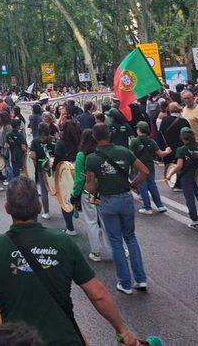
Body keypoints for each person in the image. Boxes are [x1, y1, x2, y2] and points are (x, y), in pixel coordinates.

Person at [0, 177, 142, 346]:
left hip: (20, 342)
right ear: (39, 207)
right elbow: (97, 293)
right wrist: (123, 331)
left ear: (7, 209)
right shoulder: (63, 242)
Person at [85, 123, 148, 294]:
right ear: (110, 135)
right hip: (126, 197)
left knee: (116, 242)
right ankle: (141, 279)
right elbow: (144, 171)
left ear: (94, 137)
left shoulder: (91, 158)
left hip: (107, 200)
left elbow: (90, 188)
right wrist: (133, 184)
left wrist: (98, 183)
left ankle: (125, 283)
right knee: (131, 238)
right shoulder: (123, 151)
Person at [72, 130, 106, 262]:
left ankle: (96, 252)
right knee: (106, 220)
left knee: (91, 221)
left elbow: (79, 179)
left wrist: (74, 195)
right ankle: (117, 248)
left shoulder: (82, 155)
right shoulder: (100, 152)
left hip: (88, 191)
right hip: (101, 190)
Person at [129, 122, 170, 214]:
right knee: (152, 186)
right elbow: (161, 154)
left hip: (139, 167)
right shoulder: (151, 141)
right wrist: (167, 151)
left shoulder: (134, 141)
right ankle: (160, 205)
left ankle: (147, 207)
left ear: (139, 130)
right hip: (150, 167)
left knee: (142, 187)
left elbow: (130, 155)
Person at [30, 125, 55, 221]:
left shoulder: (35, 141)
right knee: (58, 190)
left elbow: (33, 156)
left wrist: (34, 168)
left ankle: (46, 212)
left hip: (42, 167)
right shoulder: (52, 140)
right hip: (52, 166)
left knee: (44, 190)